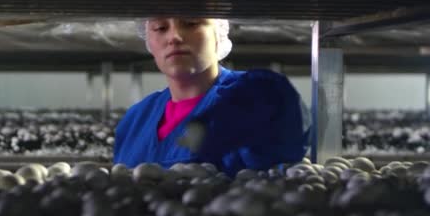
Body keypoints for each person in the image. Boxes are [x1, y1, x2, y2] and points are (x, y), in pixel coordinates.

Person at [113, 18, 311, 177]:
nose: (174, 36)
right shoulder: (135, 120)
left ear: (218, 34)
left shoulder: (259, 97)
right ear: (149, 42)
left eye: (191, 23)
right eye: (160, 27)